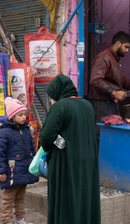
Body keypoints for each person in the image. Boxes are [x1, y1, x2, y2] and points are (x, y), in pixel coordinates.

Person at [39, 74, 101, 224]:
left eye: (51, 96)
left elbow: (46, 136)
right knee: (84, 197)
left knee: (67, 199)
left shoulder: (60, 106)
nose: (51, 100)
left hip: (66, 162)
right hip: (88, 161)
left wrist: (61, 143)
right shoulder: (87, 105)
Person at [89, 31, 130, 147]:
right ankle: (99, 164)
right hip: (101, 105)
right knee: (101, 137)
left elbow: (122, 80)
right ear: (117, 44)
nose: (127, 50)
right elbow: (95, 80)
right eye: (126, 47)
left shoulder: (115, 59)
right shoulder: (104, 58)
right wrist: (113, 92)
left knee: (112, 137)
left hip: (111, 104)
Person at [0, 97, 39, 224]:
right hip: (11, 171)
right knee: (8, 198)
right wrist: (0, 171)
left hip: (23, 170)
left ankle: (20, 218)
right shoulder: (3, 132)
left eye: (25, 114)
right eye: (20, 114)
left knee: (20, 197)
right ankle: (6, 220)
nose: (24, 117)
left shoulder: (25, 130)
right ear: (12, 116)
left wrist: (34, 164)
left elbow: (31, 149)